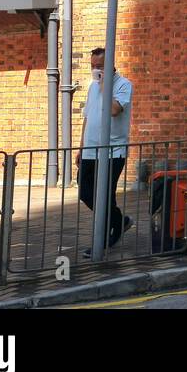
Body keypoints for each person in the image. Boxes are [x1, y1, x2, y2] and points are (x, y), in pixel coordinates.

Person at [76, 47, 133, 257]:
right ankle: (120, 221)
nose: (95, 70)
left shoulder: (123, 85)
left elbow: (115, 110)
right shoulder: (92, 87)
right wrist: (81, 147)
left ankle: (104, 241)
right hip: (90, 150)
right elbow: (88, 117)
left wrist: (104, 85)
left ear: (110, 65)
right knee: (85, 193)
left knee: (105, 195)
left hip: (112, 152)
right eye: (92, 66)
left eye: (99, 66)